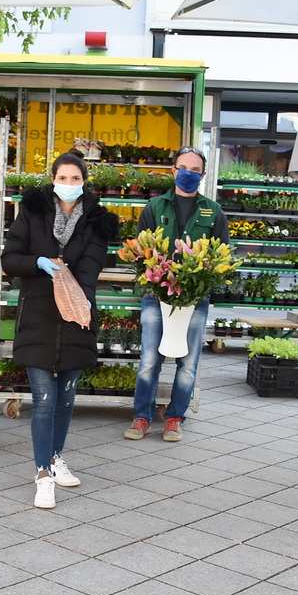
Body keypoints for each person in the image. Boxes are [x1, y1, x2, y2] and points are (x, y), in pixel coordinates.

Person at [2, 153, 118, 509]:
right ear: (53, 179)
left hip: (75, 316)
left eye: (74, 179)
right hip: (36, 314)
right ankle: (42, 474)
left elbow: (92, 265)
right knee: (44, 399)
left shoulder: (97, 221)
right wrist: (38, 265)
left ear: (84, 181)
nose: (68, 185)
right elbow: (10, 259)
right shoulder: (33, 212)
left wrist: (69, 287)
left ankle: (55, 457)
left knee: (66, 398)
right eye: (63, 178)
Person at [124, 147, 229, 443]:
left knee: (188, 360)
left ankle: (174, 417)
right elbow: (139, 254)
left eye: (195, 170)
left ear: (203, 175)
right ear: (173, 170)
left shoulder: (213, 211)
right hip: (155, 295)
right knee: (149, 358)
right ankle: (142, 416)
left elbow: (223, 253)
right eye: (183, 167)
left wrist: (203, 278)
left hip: (195, 297)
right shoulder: (154, 207)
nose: (188, 173)